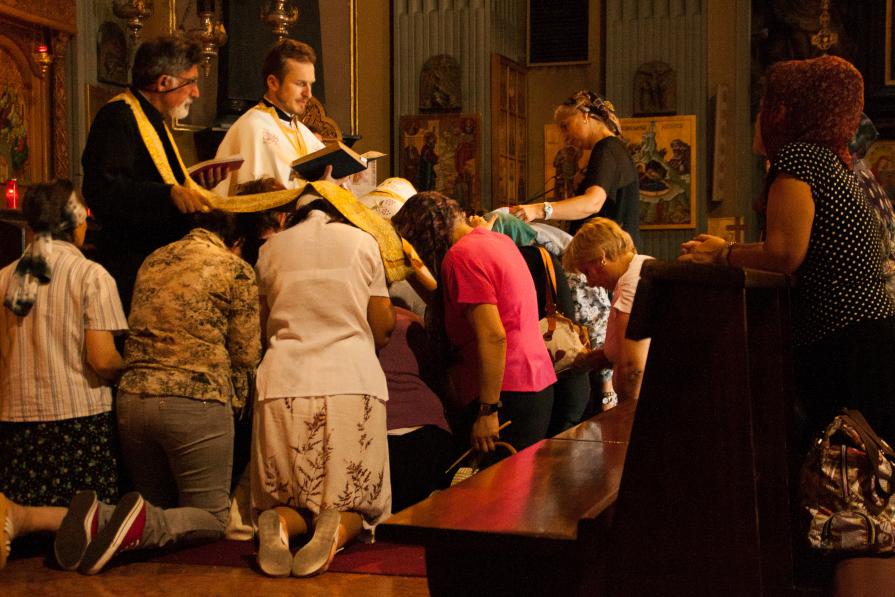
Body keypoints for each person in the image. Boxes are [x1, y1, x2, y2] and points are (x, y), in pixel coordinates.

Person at [679, 56, 895, 448]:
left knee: (843, 464)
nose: (760, 115)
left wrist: (722, 254)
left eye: (766, 105)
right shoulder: (831, 162)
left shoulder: (800, 157)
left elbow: (783, 253)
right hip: (866, 335)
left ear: (785, 112)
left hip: (845, 340)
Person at [52, 209, 262, 575]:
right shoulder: (235, 268)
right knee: (211, 519)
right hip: (195, 400)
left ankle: (100, 516)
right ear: (237, 242)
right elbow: (245, 352)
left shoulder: (155, 258)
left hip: (133, 399)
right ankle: (112, 517)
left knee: (158, 511)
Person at [251, 183, 396, 578]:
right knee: (358, 503)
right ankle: (336, 530)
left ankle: (279, 525)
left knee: (288, 496)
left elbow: (262, 325)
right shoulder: (363, 243)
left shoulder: (270, 250)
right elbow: (383, 327)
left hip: (284, 381)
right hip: (351, 379)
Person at [0, 181, 127, 569]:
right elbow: (102, 359)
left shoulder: (4, 276)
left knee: (29, 544)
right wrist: (131, 366)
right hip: (78, 423)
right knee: (92, 519)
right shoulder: (90, 276)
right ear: (75, 221)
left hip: (17, 424)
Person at [392, 192, 557, 454]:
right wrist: (408, 268)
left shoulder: (460, 257)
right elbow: (453, 301)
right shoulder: (496, 241)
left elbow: (493, 335)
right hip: (535, 381)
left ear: (428, 232)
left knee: (497, 490)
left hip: (504, 391)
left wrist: (488, 410)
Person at [81, 36, 218, 313]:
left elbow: (159, 177)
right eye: (190, 81)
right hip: (134, 266)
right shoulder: (118, 116)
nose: (196, 93)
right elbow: (103, 191)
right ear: (164, 82)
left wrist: (195, 186)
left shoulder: (155, 121)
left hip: (164, 264)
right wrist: (168, 194)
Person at [511, 90, 641, 250]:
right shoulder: (613, 149)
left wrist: (538, 210)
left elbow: (592, 203)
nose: (564, 137)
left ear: (585, 115)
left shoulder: (606, 148)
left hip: (607, 257)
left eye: (565, 126)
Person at [213, 39, 327, 195]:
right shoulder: (252, 128)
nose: (309, 94)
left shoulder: (304, 133)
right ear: (273, 83)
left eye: (310, 84)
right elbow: (253, 201)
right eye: (301, 84)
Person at [563, 218, 653, 402]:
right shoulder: (642, 268)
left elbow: (633, 367)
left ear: (600, 258)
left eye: (587, 271)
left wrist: (626, 417)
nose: (590, 282)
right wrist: (597, 359)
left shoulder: (631, 284)